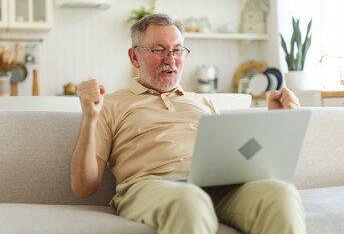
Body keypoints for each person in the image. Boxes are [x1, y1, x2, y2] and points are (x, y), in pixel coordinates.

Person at [70, 13, 305, 234]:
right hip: (152, 186)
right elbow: (84, 187)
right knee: (190, 201)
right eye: (159, 49)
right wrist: (89, 119)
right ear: (134, 57)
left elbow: (243, 160)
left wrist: (277, 120)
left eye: (177, 50)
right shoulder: (110, 104)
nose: (170, 59)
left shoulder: (205, 102)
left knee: (280, 195)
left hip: (218, 185)